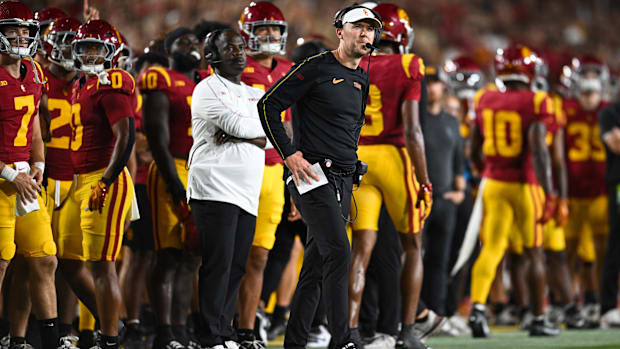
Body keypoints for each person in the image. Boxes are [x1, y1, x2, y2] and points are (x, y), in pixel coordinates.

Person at [258, 5, 381, 349]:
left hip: (342, 179)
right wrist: (289, 153)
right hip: (312, 175)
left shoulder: (361, 77)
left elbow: (348, 131)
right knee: (340, 253)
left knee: (314, 266)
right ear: (340, 30)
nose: (365, 35)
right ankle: (342, 340)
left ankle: (295, 342)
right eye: (358, 27)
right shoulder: (314, 67)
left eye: (370, 29)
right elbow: (267, 104)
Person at [343, 4, 432, 349]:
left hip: (359, 158)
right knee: (412, 245)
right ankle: (406, 332)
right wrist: (424, 179)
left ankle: (350, 334)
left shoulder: (352, 62)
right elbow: (412, 131)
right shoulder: (409, 65)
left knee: (360, 251)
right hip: (395, 158)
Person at [468, 44, 559, 338]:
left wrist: (487, 171)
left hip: (493, 182)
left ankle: (478, 309)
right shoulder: (538, 100)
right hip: (526, 185)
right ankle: (538, 316)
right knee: (534, 253)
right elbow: (539, 151)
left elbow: (473, 148)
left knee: (491, 248)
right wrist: (551, 192)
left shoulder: (484, 97)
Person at [187, 28, 266, 349]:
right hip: (214, 186)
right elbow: (242, 126)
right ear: (212, 55)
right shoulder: (206, 88)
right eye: (229, 48)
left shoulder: (256, 94)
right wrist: (251, 134)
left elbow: (274, 133)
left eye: (240, 46)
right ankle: (209, 337)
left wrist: (248, 135)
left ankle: (225, 331)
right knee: (218, 264)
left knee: (236, 265)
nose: (238, 52)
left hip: (246, 191)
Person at [67, 19, 136, 349]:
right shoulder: (81, 83)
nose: (90, 54)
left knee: (102, 266)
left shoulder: (112, 81)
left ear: (112, 53)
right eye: (85, 48)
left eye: (97, 48)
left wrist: (106, 181)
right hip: (79, 180)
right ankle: (112, 324)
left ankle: (109, 340)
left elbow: (126, 136)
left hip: (102, 179)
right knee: (68, 259)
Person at [0, 2, 63, 349]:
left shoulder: (34, 71)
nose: (21, 36)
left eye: (25, 30)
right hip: (2, 177)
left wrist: (38, 164)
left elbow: (35, 128)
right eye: (13, 29)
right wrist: (11, 174)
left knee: (43, 259)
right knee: (0, 261)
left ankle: (47, 340)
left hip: (24, 177)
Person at [139, 26, 207, 349]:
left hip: (203, 170)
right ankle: (163, 331)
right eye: (183, 40)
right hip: (173, 166)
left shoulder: (208, 81)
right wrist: (176, 185)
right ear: (169, 48)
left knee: (192, 257)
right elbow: (156, 138)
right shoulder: (161, 78)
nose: (191, 44)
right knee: (167, 255)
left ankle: (180, 329)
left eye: (195, 40)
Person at [237, 3, 294, 346]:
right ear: (248, 33)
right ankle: (214, 327)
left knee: (260, 255)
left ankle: (246, 329)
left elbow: (296, 127)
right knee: (229, 255)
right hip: (239, 167)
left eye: (275, 29)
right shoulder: (235, 67)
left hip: (274, 170)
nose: (270, 35)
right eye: (262, 29)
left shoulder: (289, 69)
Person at [562, 55, 609, 323]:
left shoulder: (610, 110)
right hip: (573, 193)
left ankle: (602, 301)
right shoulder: (566, 109)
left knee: (604, 251)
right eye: (586, 75)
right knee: (567, 252)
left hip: (601, 191)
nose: (590, 81)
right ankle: (569, 302)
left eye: (594, 75)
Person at [420, 65, 465, 318]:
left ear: (443, 86)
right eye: (427, 82)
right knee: (413, 257)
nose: (431, 87)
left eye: (435, 82)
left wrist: (460, 191)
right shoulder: (414, 118)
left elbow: (458, 161)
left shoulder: (451, 121)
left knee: (440, 259)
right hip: (419, 197)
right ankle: (414, 314)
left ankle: (436, 313)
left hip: (445, 198)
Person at [598, 95, 620, 328]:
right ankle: (608, 307)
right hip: (619, 183)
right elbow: (616, 144)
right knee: (616, 244)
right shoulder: (610, 113)